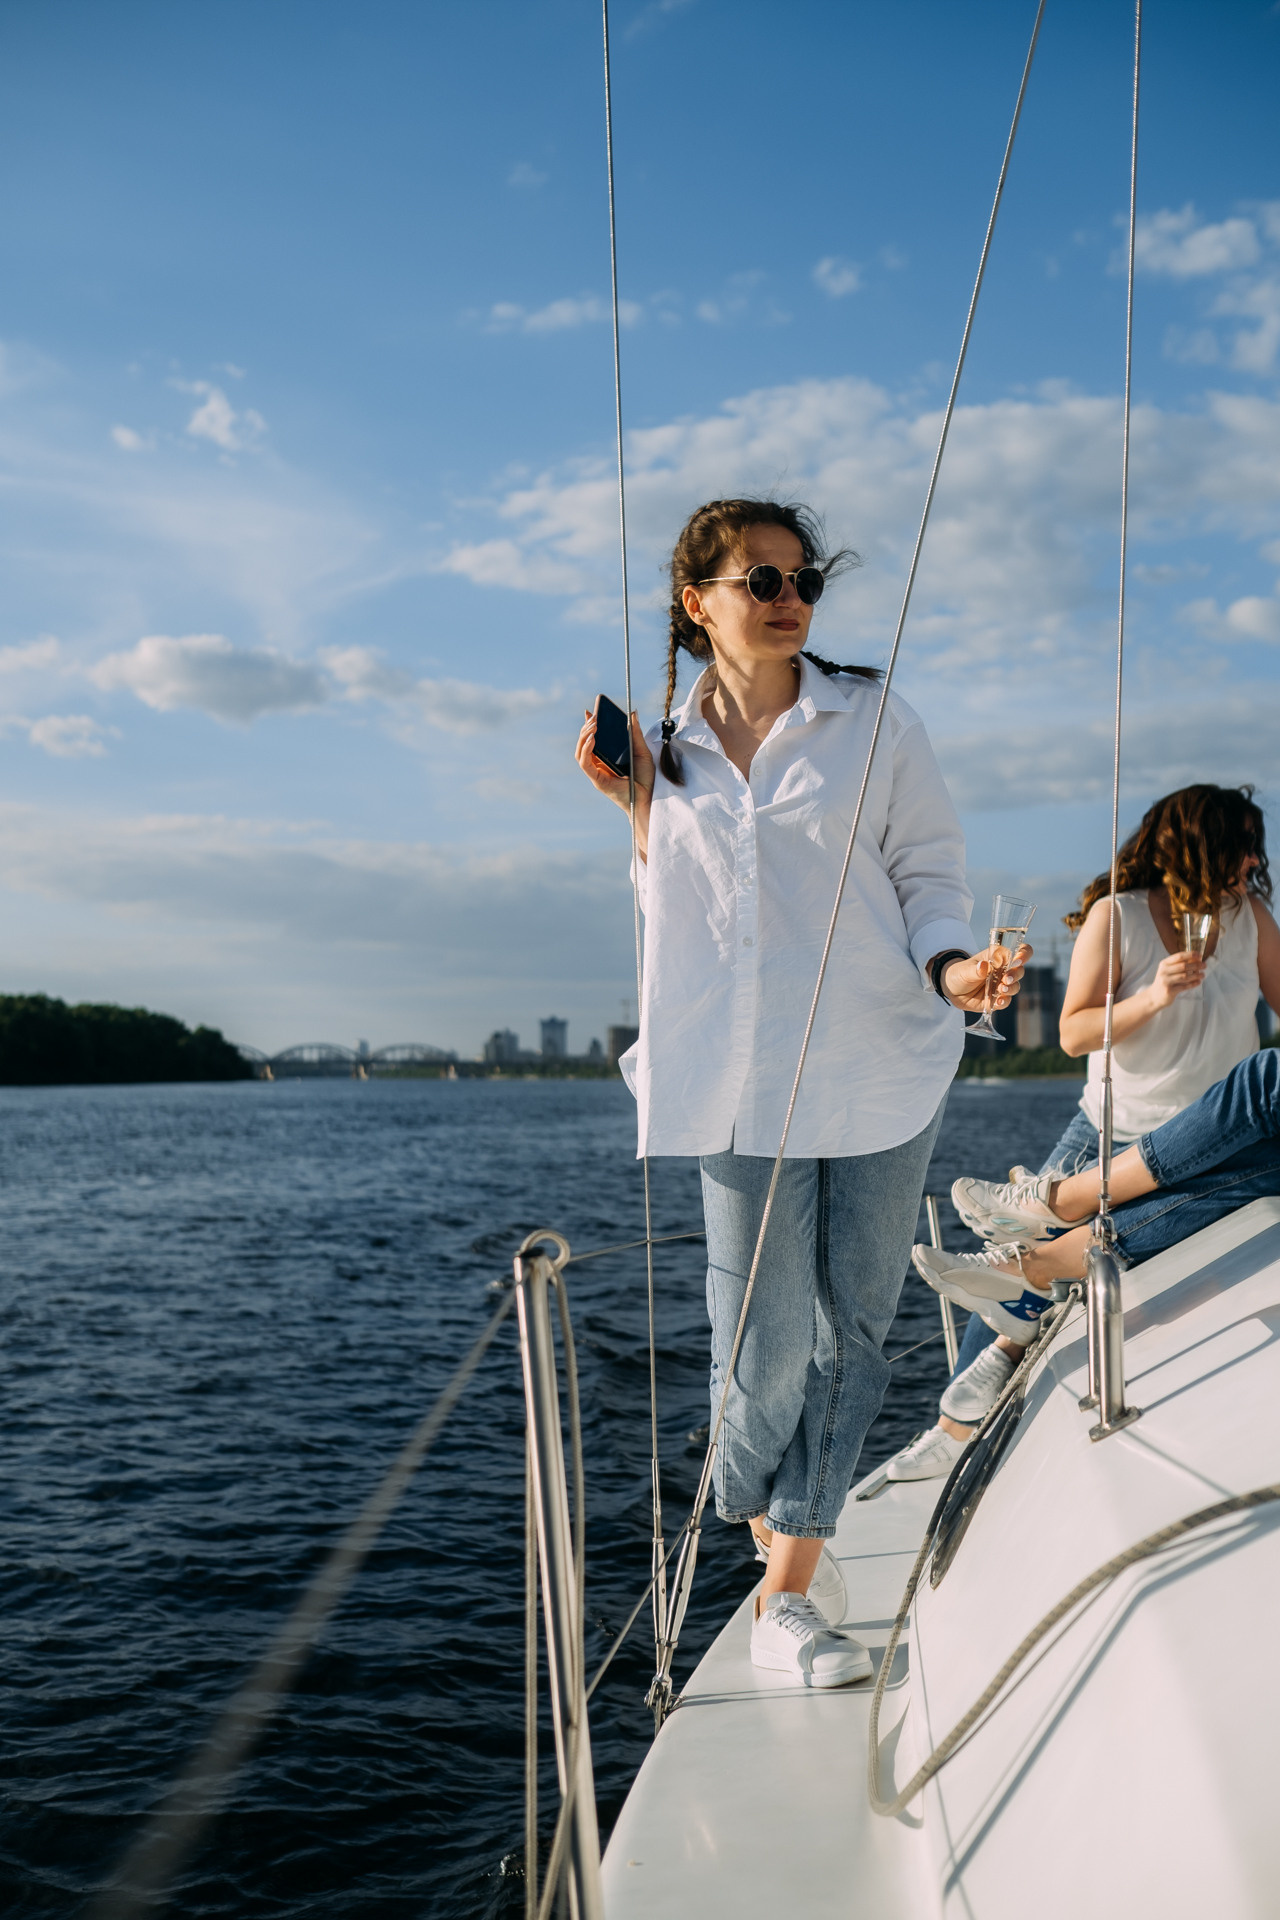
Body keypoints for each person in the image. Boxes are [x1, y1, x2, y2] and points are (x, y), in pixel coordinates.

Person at [575, 496, 1028, 1689]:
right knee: (759, 1347)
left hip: (877, 1058)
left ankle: (786, 1584)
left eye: (802, 582)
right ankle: (757, 1511)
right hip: (736, 1081)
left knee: (849, 1334)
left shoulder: (870, 720)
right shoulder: (662, 750)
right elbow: (678, 914)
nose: (788, 601)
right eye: (760, 581)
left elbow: (925, 871)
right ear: (696, 603)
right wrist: (634, 807)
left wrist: (956, 970)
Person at [890, 783, 1279, 1480]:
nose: (1253, 860)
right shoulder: (1118, 915)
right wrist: (1154, 996)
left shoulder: (1248, 916)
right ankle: (950, 1436)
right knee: (996, 1283)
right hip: (1110, 1130)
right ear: (1197, 843)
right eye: (1241, 844)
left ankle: (999, 1359)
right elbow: (1072, 1034)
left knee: (1026, 1263)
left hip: (1207, 1136)